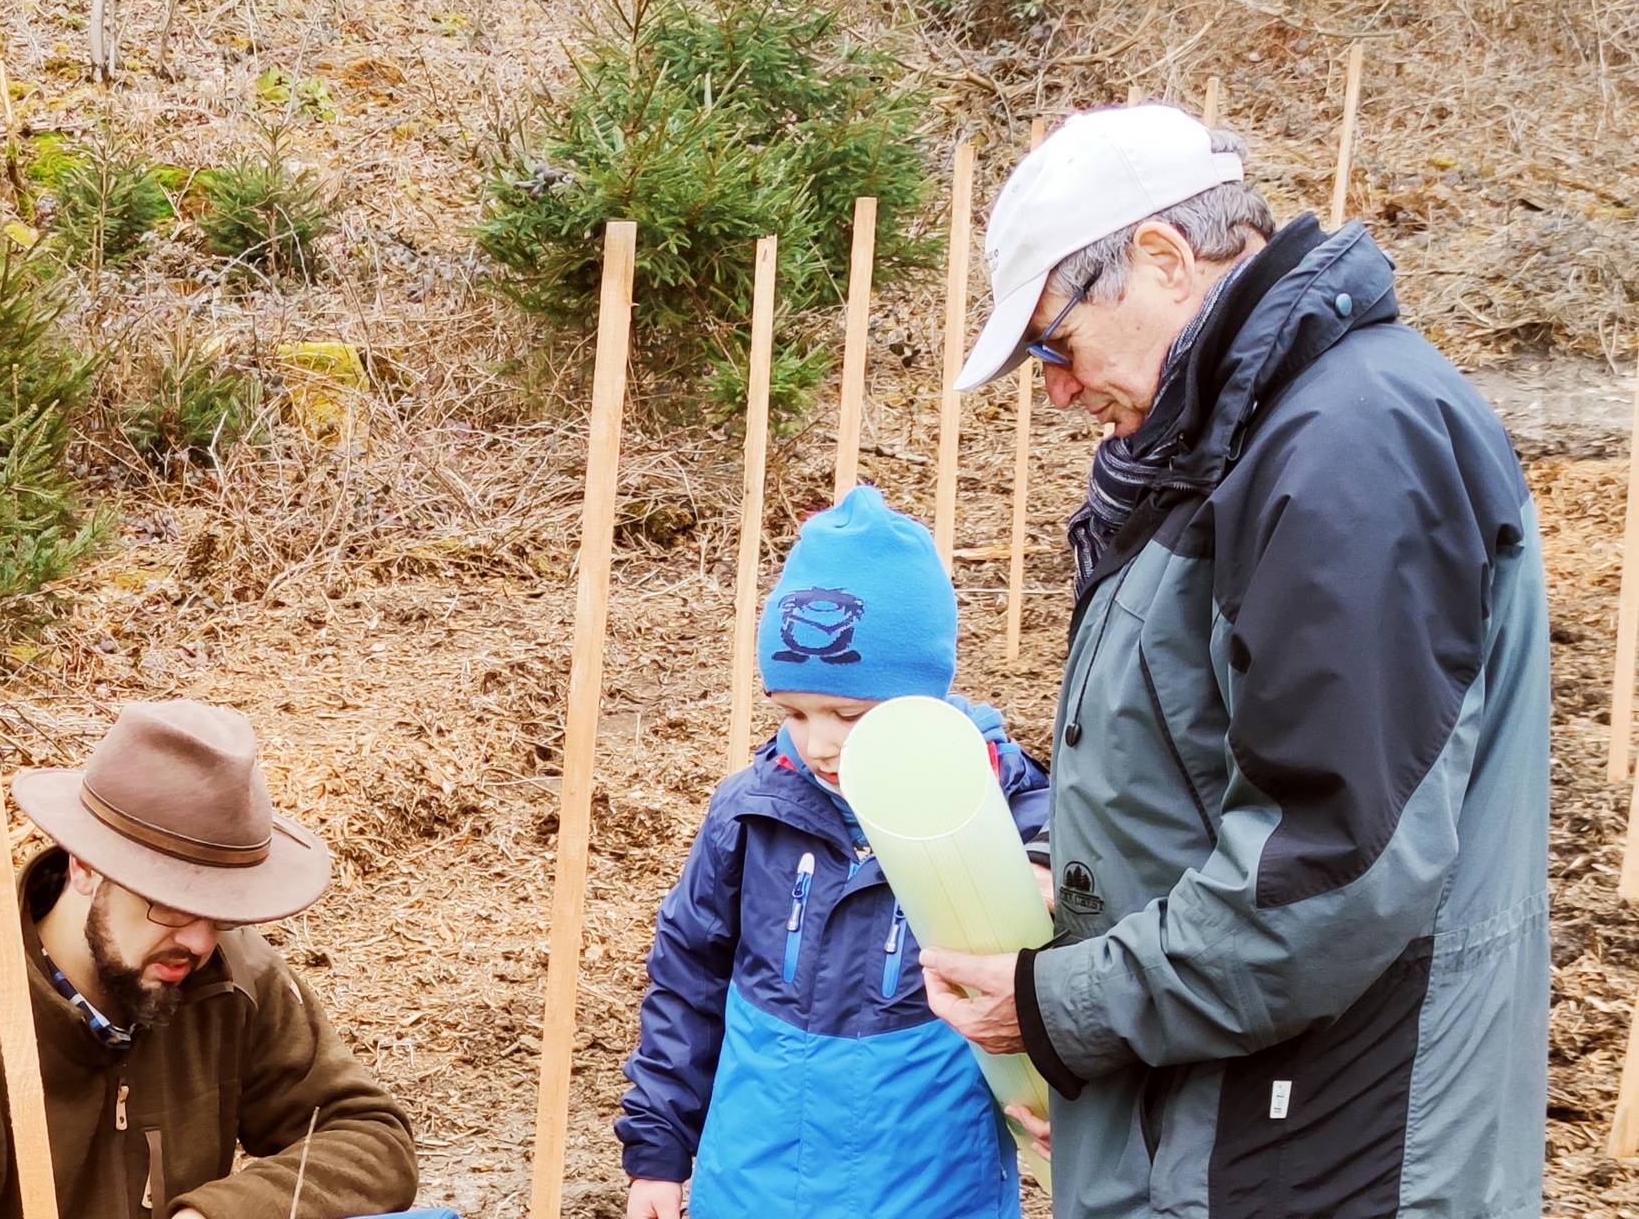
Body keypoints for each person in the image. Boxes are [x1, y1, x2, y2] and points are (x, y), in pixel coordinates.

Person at [920, 105, 1549, 1218]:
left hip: (1323, 1148)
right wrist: (1057, 882)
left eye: (1049, 343)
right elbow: (1190, 766)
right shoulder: (1229, 442)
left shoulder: (1350, 443)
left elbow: (1327, 868)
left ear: (1161, 261)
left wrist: (1059, 1006)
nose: (1053, 387)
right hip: (1237, 1126)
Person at [0, 700, 445, 1219]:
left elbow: (372, 1139)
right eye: (171, 905)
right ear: (85, 865)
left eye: (224, 910)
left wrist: (215, 1215)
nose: (202, 943)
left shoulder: (234, 979)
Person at [615, 486, 1051, 1218]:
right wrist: (657, 1154)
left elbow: (1082, 936)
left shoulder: (999, 809)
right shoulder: (750, 812)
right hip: (750, 1182)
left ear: (926, 697)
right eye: (793, 711)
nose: (819, 743)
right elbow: (686, 981)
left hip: (932, 1185)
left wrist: (1042, 860)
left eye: (849, 714)